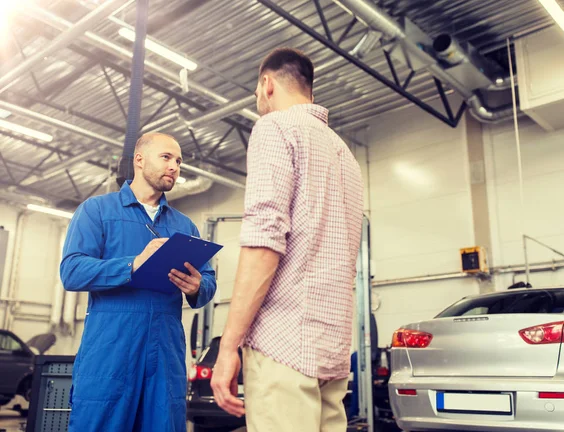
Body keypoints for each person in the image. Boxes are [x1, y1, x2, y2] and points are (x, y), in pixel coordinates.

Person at [211, 48, 364, 431]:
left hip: (284, 347)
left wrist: (229, 346)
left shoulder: (275, 128)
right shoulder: (344, 154)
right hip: (331, 350)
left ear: (267, 84)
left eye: (257, 92)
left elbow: (264, 241)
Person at [60, 132, 217, 432]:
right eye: (166, 157)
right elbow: (72, 271)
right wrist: (132, 264)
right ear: (140, 160)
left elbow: (208, 280)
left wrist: (198, 287)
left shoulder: (184, 226)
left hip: (165, 356)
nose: (175, 166)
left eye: (179, 161)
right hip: (110, 352)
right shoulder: (97, 211)